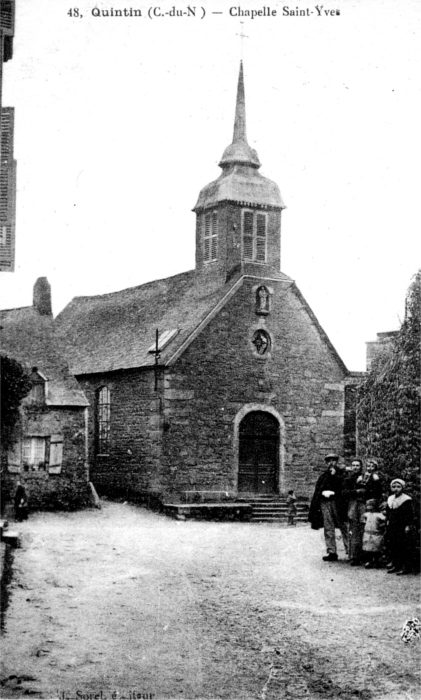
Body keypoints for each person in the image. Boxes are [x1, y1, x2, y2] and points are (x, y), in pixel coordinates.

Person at [308, 453, 349, 561]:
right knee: (328, 527)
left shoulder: (342, 475)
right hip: (325, 503)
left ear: (336, 462)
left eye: (333, 460)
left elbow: (344, 488)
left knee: (343, 526)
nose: (331, 463)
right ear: (326, 463)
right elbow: (318, 490)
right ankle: (332, 552)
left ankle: (350, 551)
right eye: (329, 461)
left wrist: (334, 480)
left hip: (338, 503)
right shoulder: (324, 476)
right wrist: (323, 493)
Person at [385, 479, 414, 575]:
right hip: (393, 525)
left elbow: (409, 514)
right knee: (393, 544)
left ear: (402, 488)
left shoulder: (406, 500)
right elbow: (388, 512)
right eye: (394, 487)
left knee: (403, 545)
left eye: (398, 487)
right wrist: (388, 521)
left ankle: (405, 566)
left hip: (402, 525)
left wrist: (408, 525)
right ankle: (396, 564)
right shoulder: (390, 499)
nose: (396, 489)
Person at [343, 458, 366, 566]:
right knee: (353, 530)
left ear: (361, 467)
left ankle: (364, 556)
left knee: (364, 528)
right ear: (351, 467)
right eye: (354, 465)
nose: (356, 467)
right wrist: (356, 491)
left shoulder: (366, 477)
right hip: (353, 504)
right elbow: (344, 492)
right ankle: (354, 556)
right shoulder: (348, 479)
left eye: (358, 465)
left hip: (363, 505)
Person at [362, 499, 386, 568]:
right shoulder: (366, 514)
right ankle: (369, 561)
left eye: (371, 505)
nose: (369, 507)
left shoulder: (379, 515)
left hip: (376, 534)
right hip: (368, 534)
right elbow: (364, 521)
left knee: (376, 549)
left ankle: (377, 561)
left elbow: (384, 521)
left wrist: (381, 526)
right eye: (368, 505)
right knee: (368, 549)